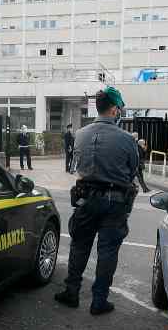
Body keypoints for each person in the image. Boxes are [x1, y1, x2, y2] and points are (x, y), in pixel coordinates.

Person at [53, 86, 139, 316]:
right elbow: (132, 171)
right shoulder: (127, 139)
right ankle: (99, 301)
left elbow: (77, 167)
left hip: (86, 200)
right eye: (119, 108)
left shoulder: (80, 134)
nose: (120, 112)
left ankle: (71, 292)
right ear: (113, 110)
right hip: (115, 202)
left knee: (79, 246)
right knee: (107, 252)